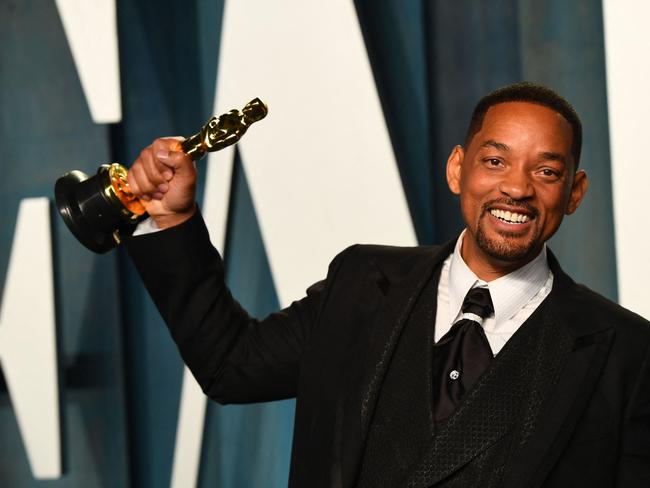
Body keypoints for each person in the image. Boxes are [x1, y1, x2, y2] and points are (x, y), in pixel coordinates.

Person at [125, 82, 650, 487]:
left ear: (575, 192)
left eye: (547, 172)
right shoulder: (361, 283)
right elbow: (231, 366)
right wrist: (173, 221)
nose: (516, 187)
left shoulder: (625, 352)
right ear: (457, 169)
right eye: (495, 161)